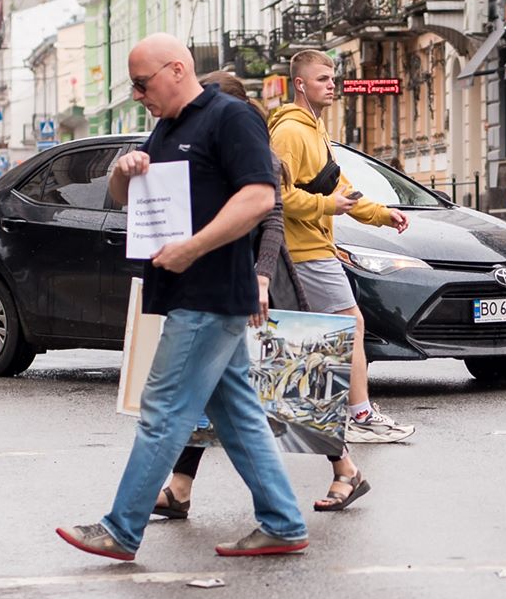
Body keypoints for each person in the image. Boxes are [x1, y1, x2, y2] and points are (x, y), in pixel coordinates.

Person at [57, 36, 310, 562]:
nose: (137, 94)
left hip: (209, 291)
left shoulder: (231, 116)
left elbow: (260, 197)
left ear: (176, 70)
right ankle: (283, 523)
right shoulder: (167, 127)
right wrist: (123, 172)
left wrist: (193, 248)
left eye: (142, 83)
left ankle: (121, 529)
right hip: (186, 291)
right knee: (238, 415)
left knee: (164, 410)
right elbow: (124, 199)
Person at [153, 72, 370, 519]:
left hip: (260, 283)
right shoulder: (211, 146)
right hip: (222, 281)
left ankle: (345, 469)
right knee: (212, 384)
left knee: (298, 383)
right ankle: (180, 486)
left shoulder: (252, 147)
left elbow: (271, 220)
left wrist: (262, 280)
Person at [268, 49, 414, 452]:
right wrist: (325, 206)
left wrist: (382, 214)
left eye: (332, 78)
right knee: (350, 325)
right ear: (300, 84)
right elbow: (276, 194)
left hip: (316, 244)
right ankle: (359, 415)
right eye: (322, 79)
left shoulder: (316, 130)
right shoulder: (289, 133)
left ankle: (302, 416)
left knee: (315, 335)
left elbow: (341, 189)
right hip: (304, 248)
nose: (332, 85)